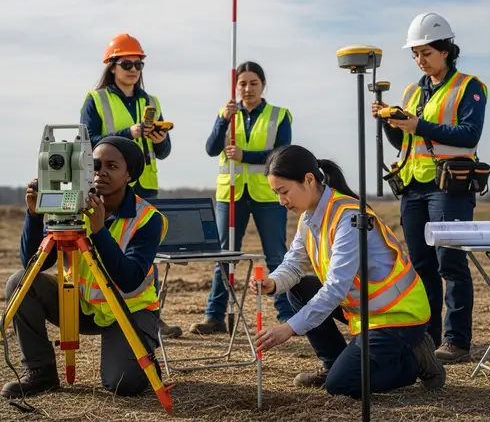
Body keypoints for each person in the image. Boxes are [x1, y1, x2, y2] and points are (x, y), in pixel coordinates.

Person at [250, 144, 445, 398]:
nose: (281, 201)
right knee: (298, 289)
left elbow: (335, 288)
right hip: (367, 311)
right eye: (276, 193)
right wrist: (273, 282)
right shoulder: (309, 217)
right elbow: (294, 263)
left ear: (308, 180)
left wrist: (289, 328)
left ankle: (415, 361)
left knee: (340, 386)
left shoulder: (349, 217)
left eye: (283, 191)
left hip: (399, 315)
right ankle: (332, 365)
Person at [1, 137, 168, 399]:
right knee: (20, 281)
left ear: (129, 175)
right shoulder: (74, 204)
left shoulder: (148, 219)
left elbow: (129, 279)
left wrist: (100, 231)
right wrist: (34, 217)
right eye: (95, 165)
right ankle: (40, 372)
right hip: (80, 306)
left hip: (128, 310)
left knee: (123, 384)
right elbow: (37, 264)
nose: (101, 173)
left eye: (112, 166)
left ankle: (142, 360)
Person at [371, 12, 488, 363]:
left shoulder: (470, 87)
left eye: (426, 53)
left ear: (446, 51)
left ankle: (457, 341)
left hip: (450, 186)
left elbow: (469, 135)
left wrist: (418, 124)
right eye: (416, 55)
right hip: (414, 186)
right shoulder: (411, 90)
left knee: (450, 264)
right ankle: (429, 340)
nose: (420, 61)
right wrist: (391, 121)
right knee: (421, 267)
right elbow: (404, 142)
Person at [80, 33, 181, 339]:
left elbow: (163, 152)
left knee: (143, 256)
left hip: (144, 185)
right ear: (112, 66)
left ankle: (150, 314)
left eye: (138, 64)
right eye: (126, 63)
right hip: (105, 186)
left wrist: (160, 140)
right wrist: (130, 132)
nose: (134, 69)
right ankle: (97, 305)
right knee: (101, 246)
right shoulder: (95, 100)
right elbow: (85, 143)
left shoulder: (151, 102)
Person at [190, 61, 295, 334]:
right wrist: (221, 120)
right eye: (242, 84)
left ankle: (287, 315)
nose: (247, 89)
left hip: (268, 195)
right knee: (224, 257)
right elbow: (212, 148)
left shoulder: (279, 115)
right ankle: (214, 317)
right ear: (235, 87)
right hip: (231, 193)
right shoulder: (227, 114)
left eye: (253, 83)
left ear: (263, 85)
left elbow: (282, 153)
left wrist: (245, 156)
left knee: (276, 256)